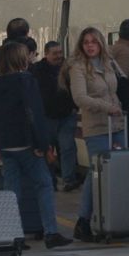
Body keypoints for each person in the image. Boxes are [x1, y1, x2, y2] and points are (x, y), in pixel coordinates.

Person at [0, 41, 71, 248]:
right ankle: (51, 232)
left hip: (6, 145)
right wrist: (44, 145)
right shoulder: (27, 81)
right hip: (27, 144)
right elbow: (35, 115)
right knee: (44, 184)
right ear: (21, 60)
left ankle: (14, 236)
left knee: (12, 190)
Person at [64, 26, 127, 243]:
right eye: (86, 42)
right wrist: (105, 106)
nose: (90, 45)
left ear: (101, 43)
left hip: (117, 125)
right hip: (97, 128)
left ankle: (115, 220)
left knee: (119, 171)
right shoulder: (78, 68)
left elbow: (124, 86)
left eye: (94, 41)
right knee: (96, 174)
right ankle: (84, 221)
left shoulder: (110, 64)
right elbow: (79, 98)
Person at [32, 41, 80, 190]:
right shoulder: (37, 70)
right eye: (55, 53)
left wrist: (74, 106)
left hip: (66, 116)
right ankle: (50, 180)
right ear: (46, 54)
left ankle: (68, 180)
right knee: (47, 150)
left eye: (60, 52)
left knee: (67, 147)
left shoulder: (68, 68)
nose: (59, 56)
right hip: (46, 117)